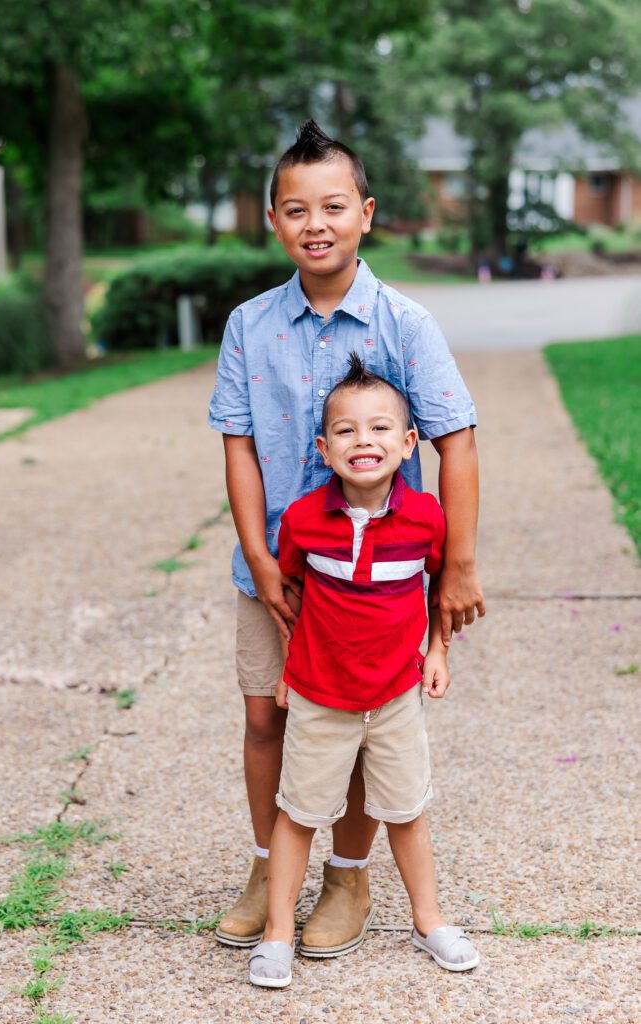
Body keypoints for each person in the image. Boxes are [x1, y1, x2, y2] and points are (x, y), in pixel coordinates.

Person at [208, 119, 484, 957]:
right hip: (279, 572)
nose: (315, 223)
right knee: (267, 717)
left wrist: (458, 568)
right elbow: (239, 445)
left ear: (365, 213)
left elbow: (456, 441)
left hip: (376, 580)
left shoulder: (404, 325)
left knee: (366, 721)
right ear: (272, 221)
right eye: (296, 209)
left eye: (333, 206)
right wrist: (259, 556)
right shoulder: (248, 325)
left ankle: (349, 874)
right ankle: (269, 866)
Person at [248, 354, 480, 987]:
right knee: (297, 810)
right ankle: (275, 935)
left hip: (398, 695)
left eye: (380, 429)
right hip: (321, 697)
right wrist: (291, 668)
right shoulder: (301, 522)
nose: (363, 442)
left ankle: (428, 921)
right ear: (324, 448)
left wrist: (438, 651)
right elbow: (293, 597)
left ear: (408, 445)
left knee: (407, 809)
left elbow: (438, 592)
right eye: (346, 431)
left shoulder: (428, 519)